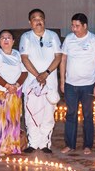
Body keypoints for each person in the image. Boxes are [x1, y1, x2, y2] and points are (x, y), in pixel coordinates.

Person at [59, 13, 95, 154]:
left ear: (85, 26)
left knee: (88, 115)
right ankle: (70, 144)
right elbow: (63, 60)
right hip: (70, 85)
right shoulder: (69, 39)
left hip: (88, 85)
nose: (74, 29)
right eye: (72, 25)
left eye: (77, 26)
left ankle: (87, 145)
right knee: (71, 114)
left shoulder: (94, 40)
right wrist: (62, 81)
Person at [19, 9, 62, 153]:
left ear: (44, 20)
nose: (38, 21)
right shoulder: (26, 37)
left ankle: (44, 144)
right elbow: (24, 58)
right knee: (31, 113)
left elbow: (58, 57)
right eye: (34, 19)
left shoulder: (53, 36)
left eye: (41, 18)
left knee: (48, 113)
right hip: (32, 83)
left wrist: (46, 73)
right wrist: (38, 75)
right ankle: (33, 143)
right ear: (30, 22)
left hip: (49, 82)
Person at [0, 30, 26, 155]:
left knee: (13, 119)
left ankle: (13, 146)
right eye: (3, 38)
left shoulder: (17, 54)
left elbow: (24, 72)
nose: (6, 40)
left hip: (15, 92)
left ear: (13, 41)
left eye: (8, 37)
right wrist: (7, 86)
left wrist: (16, 85)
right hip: (0, 91)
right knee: (0, 120)